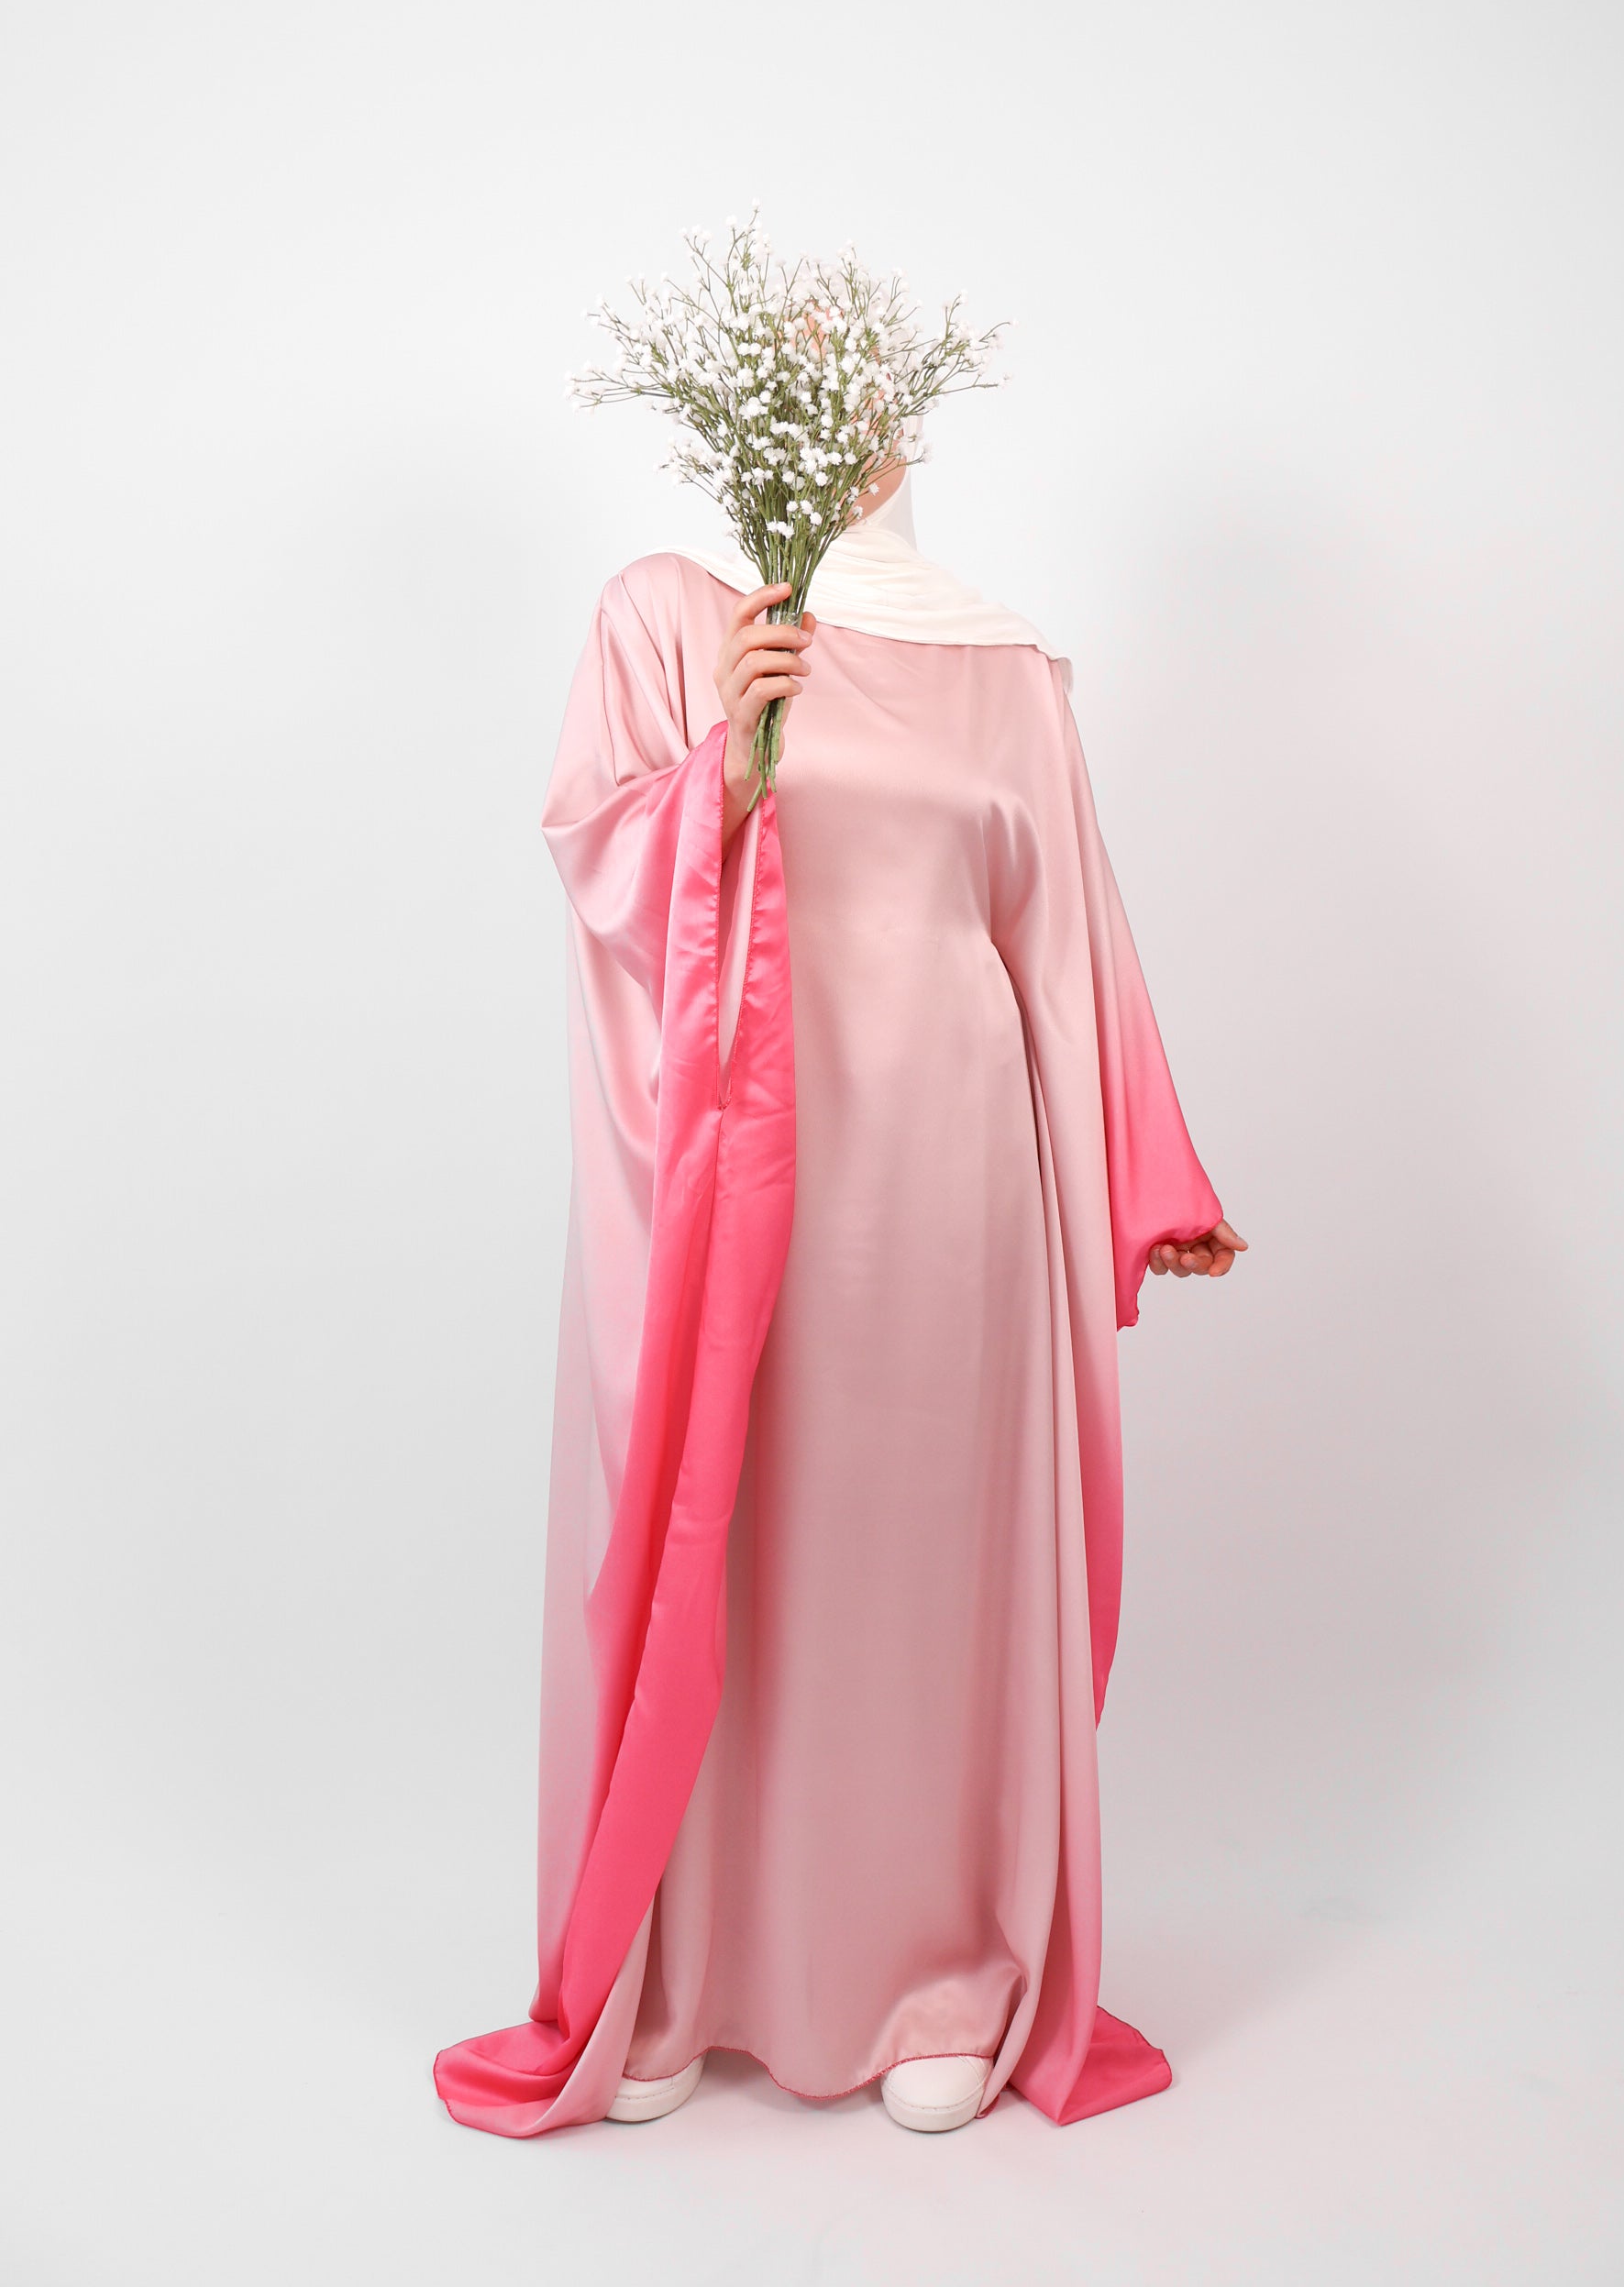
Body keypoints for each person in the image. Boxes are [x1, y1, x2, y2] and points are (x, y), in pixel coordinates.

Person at [434, 461, 1245, 2139]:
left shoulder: (1006, 667)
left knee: (919, 1563)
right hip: (742, 1165)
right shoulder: (678, 613)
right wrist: (726, 764)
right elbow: (597, 862)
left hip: (953, 1176)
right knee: (727, 1540)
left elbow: (1069, 935)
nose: (835, 378)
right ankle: (684, 1974)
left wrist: (1151, 1175)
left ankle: (935, 1970)